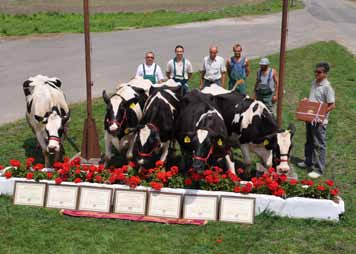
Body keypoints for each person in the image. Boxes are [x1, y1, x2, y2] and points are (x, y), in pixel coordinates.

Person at [298, 62, 336, 179]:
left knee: (319, 145)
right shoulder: (314, 83)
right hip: (309, 118)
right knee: (309, 141)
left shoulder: (327, 87)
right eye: (315, 71)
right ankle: (308, 161)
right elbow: (313, 100)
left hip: (319, 121)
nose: (316, 74)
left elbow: (332, 105)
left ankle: (319, 170)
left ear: (325, 73)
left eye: (319, 72)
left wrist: (320, 115)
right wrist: (306, 101)